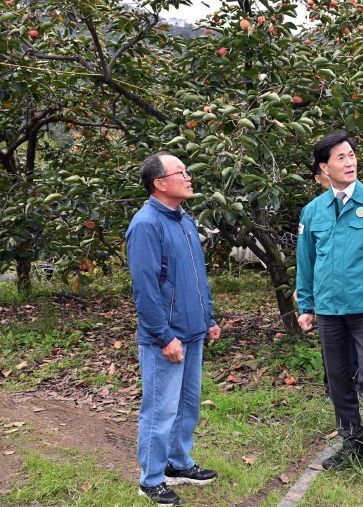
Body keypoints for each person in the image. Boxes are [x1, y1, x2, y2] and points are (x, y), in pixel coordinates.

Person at [295, 131, 363, 478]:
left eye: (352, 155)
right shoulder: (313, 211)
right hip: (329, 310)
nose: (350, 162)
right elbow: (306, 261)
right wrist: (306, 304)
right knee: (338, 378)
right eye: (340, 157)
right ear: (324, 168)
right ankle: (352, 441)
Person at [127, 152, 221, 506]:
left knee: (187, 405)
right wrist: (164, 336)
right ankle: (150, 480)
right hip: (165, 337)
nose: (188, 176)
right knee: (161, 409)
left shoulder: (183, 219)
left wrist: (208, 318)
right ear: (160, 183)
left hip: (192, 330)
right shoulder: (146, 224)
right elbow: (146, 288)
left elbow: (196, 276)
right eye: (181, 172)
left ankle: (178, 463)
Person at [298, 164, 360, 396]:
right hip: (327, 295)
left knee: (357, 343)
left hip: (357, 294)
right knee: (332, 348)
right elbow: (308, 257)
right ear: (319, 177)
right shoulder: (315, 210)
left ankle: (357, 383)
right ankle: (333, 388)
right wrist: (304, 294)